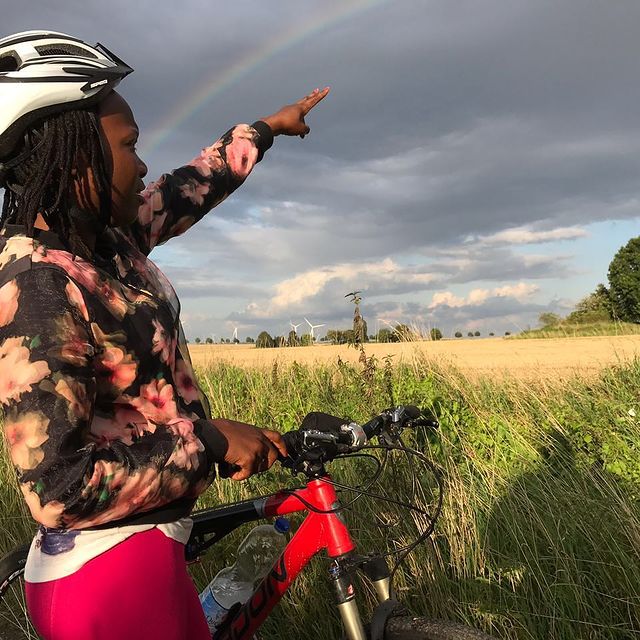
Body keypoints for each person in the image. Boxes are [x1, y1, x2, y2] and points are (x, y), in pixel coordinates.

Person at [0, 30, 329, 639]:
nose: (142, 162)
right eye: (129, 145)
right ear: (71, 154)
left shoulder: (103, 245)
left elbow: (186, 188)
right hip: (107, 580)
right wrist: (204, 441)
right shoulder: (37, 285)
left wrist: (265, 129)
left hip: (143, 557)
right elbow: (58, 486)